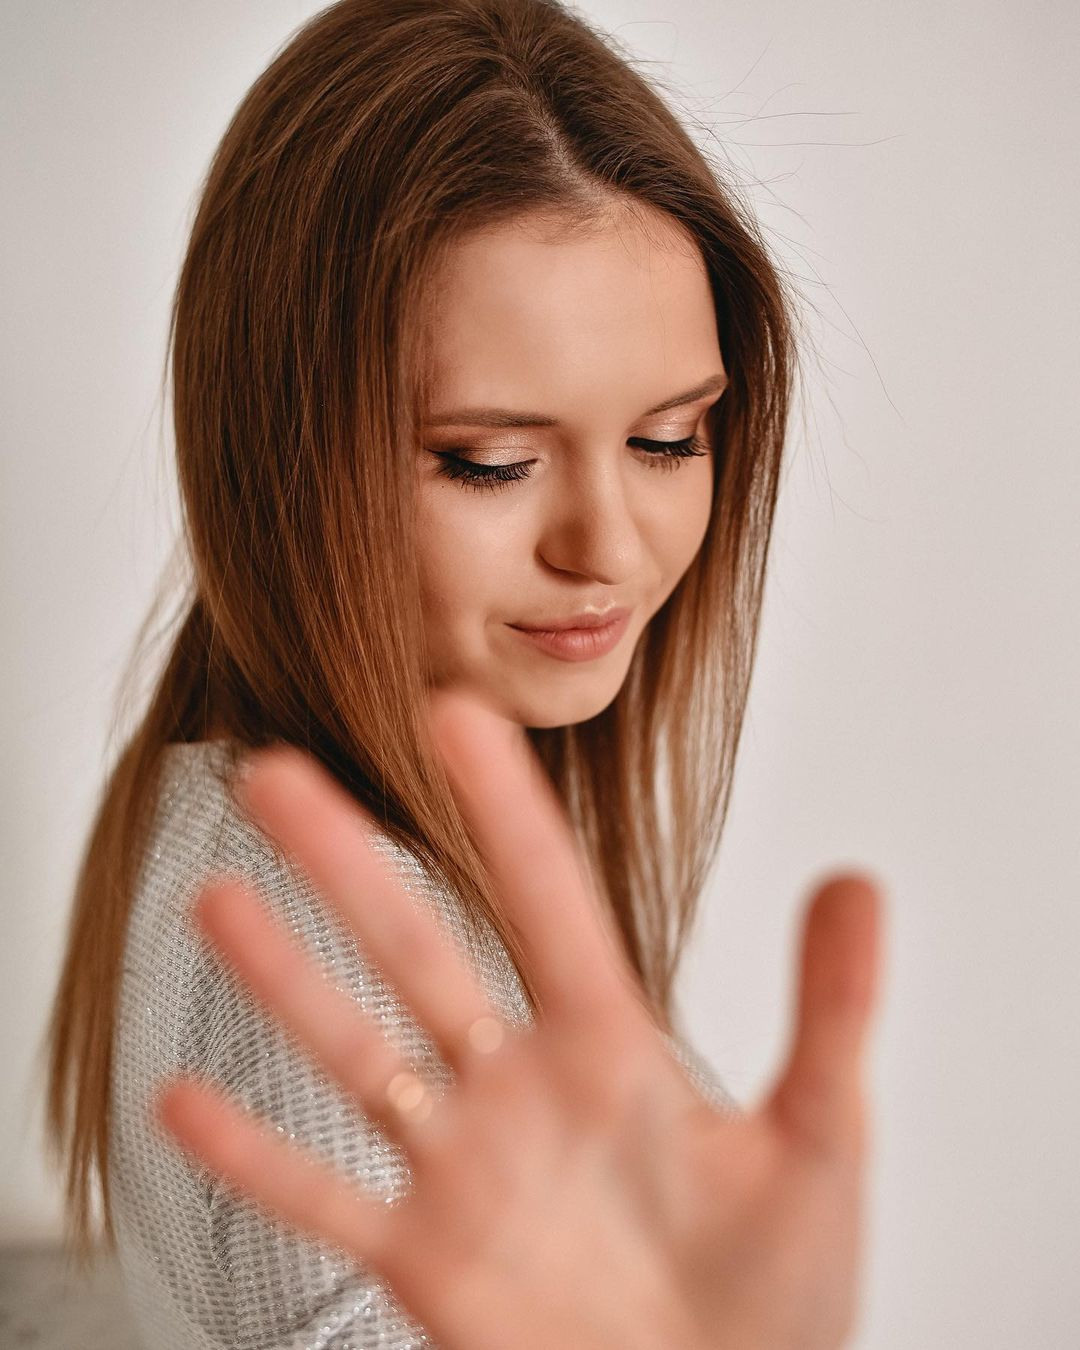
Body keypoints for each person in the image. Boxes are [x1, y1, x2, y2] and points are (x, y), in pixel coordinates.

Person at [40, 0, 885, 1346]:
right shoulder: (326, 957)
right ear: (281, 456)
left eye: (669, 439)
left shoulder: (288, 826)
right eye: (491, 462)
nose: (608, 546)